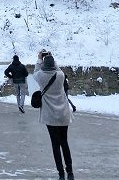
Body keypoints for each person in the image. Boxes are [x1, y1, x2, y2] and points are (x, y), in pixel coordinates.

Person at [34, 51, 75, 180]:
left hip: (50, 115)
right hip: (63, 114)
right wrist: (52, 58)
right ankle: (70, 172)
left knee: (55, 145)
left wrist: (39, 59)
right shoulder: (60, 75)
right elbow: (58, 69)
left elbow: (35, 72)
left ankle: (61, 174)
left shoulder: (40, 76)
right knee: (64, 143)